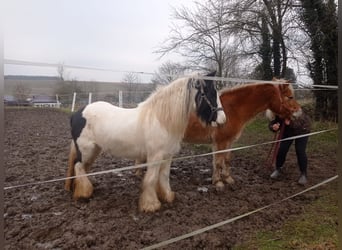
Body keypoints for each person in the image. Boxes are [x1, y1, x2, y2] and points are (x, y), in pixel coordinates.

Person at [268, 110, 311, 185]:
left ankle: (303, 174)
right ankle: (278, 168)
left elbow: (301, 123)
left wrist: (291, 123)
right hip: (288, 131)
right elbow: (275, 121)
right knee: (282, 150)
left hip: (302, 130)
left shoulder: (295, 109)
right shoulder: (279, 109)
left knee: (300, 150)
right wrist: (273, 126)